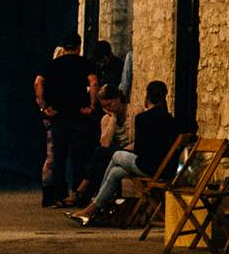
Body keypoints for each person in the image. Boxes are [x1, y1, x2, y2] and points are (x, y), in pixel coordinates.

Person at [74, 80, 182, 225]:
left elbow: (140, 149)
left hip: (149, 168)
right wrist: (113, 120)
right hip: (168, 169)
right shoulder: (172, 120)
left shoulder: (142, 118)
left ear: (147, 98)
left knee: (115, 156)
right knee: (115, 172)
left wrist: (124, 153)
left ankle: (93, 205)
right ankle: (95, 209)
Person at [34, 33, 95, 208]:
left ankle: (58, 195)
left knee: (58, 158)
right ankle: (78, 194)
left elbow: (38, 83)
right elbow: (93, 82)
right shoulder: (85, 63)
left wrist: (44, 107)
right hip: (79, 116)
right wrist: (91, 105)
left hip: (58, 116)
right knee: (79, 157)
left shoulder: (53, 64)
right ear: (78, 46)